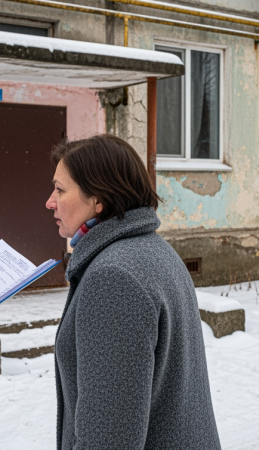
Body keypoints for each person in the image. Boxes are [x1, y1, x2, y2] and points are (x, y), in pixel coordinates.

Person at [46, 134, 222, 449]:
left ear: (98, 199)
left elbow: (109, 439)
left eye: (60, 190)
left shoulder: (113, 279)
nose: (50, 201)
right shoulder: (153, 250)